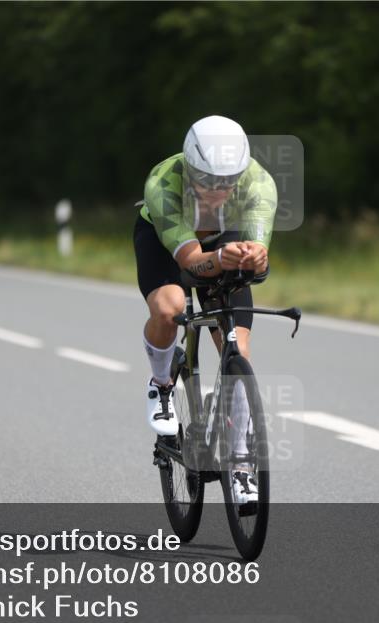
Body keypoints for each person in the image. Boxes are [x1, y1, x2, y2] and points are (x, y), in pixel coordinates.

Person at [134, 115, 277, 500]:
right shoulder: (162, 183)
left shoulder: (259, 183)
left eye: (228, 182)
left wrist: (255, 257)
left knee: (238, 349)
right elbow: (191, 263)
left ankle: (241, 462)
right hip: (166, 243)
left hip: (222, 239)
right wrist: (220, 259)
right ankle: (162, 385)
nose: (218, 191)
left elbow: (259, 251)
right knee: (170, 308)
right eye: (207, 181)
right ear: (190, 168)